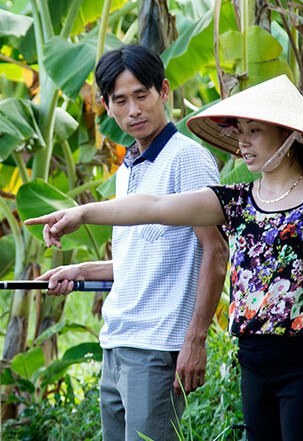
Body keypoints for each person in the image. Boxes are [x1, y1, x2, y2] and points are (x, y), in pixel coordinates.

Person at [24, 74, 303, 441]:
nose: (243, 142)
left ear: (289, 135)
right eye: (241, 131)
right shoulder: (238, 201)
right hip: (254, 359)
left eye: (254, 131)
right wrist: (82, 214)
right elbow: (155, 206)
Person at [34, 44, 228, 441]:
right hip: (116, 342)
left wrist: (195, 339)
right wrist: (81, 270)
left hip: (158, 347)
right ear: (106, 105)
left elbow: (215, 250)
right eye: (121, 100)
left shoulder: (186, 158)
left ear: (164, 91)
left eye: (142, 95)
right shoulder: (128, 167)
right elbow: (142, 260)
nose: (134, 110)